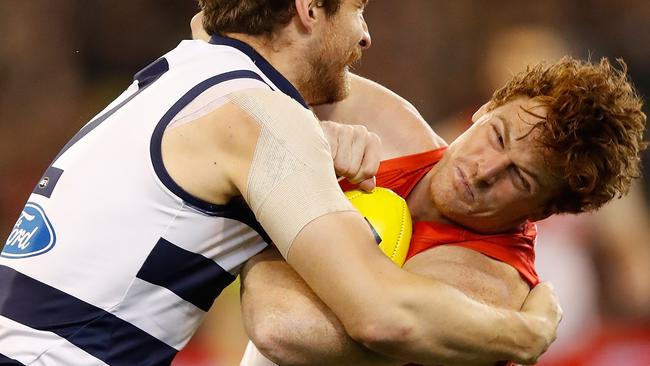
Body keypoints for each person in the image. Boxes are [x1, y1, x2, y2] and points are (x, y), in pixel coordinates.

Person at [0, 1, 562, 365]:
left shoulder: (190, 62)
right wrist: (526, 333)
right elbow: (383, 314)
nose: (365, 38)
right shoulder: (264, 118)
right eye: (359, 11)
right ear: (310, 10)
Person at [237, 57, 647, 366]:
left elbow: (279, 325)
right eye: (497, 135)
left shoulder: (487, 287)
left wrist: (290, 168)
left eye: (520, 178)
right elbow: (222, 59)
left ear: (544, 209)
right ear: (484, 108)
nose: (484, 170)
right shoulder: (385, 123)